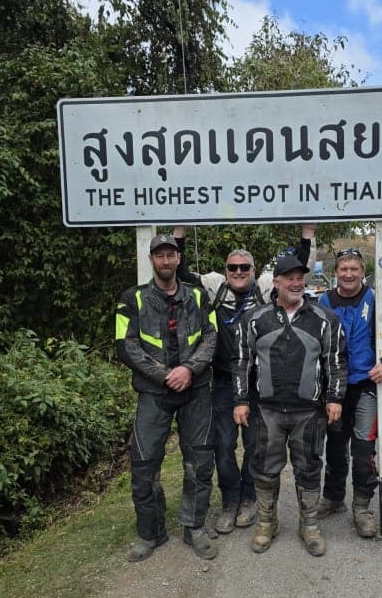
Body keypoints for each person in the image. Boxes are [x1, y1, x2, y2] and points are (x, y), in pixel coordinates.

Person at [172, 225, 315, 535]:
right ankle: (229, 501)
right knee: (223, 445)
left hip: (258, 382)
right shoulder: (214, 287)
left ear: (253, 269)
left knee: (255, 446)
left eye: (244, 267)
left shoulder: (264, 287)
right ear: (226, 270)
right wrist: (179, 233)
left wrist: (306, 234)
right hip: (223, 380)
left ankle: (249, 499)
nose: (238, 272)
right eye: (232, 267)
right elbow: (180, 272)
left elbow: (294, 267)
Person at [232, 255, 346, 557]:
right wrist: (241, 400)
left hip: (308, 411)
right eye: (289, 278)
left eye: (300, 277)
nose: (296, 283)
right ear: (277, 282)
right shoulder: (255, 318)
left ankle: (309, 525)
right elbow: (242, 362)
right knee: (265, 469)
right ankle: (267, 524)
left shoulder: (324, 320)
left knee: (308, 467)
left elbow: (335, 362)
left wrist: (334, 398)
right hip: (266, 410)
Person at [115, 234, 218, 562]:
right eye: (159, 255)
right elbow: (125, 345)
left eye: (171, 255)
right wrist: (164, 375)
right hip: (153, 394)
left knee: (200, 462)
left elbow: (212, 337)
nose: (166, 261)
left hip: (196, 391)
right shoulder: (132, 299)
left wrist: (189, 368)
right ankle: (151, 533)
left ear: (177, 258)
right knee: (144, 466)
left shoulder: (199, 297)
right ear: (151, 260)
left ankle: (194, 527)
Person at [318, 248, 382, 538]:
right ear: (335, 272)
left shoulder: (377, 300)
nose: (348, 274)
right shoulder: (324, 300)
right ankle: (334, 499)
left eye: (354, 269)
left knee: (362, 453)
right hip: (334, 390)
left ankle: (361, 506)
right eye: (343, 269)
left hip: (365, 390)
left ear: (363, 272)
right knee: (334, 449)